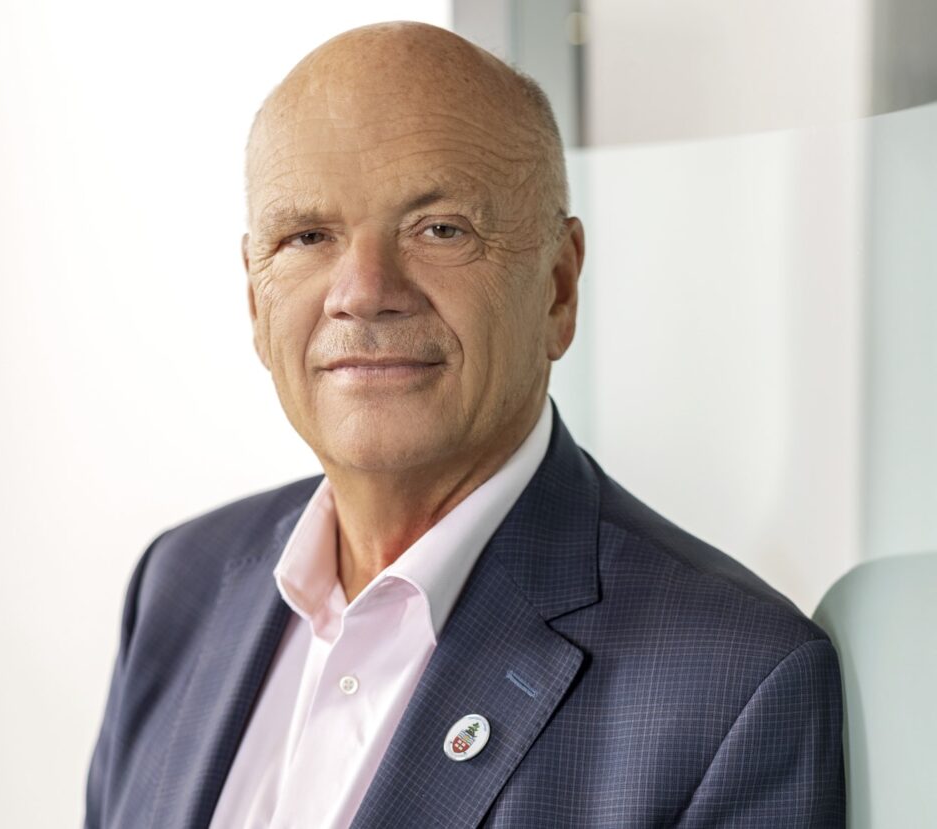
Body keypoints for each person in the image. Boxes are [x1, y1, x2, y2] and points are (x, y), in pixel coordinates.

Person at [84, 22, 845, 829]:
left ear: (557, 287)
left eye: (439, 228)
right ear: (253, 296)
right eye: (308, 236)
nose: (365, 290)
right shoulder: (180, 583)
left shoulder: (732, 686)